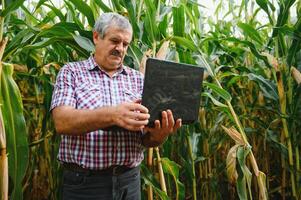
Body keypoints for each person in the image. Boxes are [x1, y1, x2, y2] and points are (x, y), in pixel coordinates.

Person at [50, 12, 182, 200]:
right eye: (114, 41)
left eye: (125, 44)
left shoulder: (138, 79)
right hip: (84, 186)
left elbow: (145, 140)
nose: (120, 48)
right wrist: (112, 115)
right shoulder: (71, 73)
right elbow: (62, 122)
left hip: (129, 182)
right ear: (96, 37)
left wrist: (158, 136)